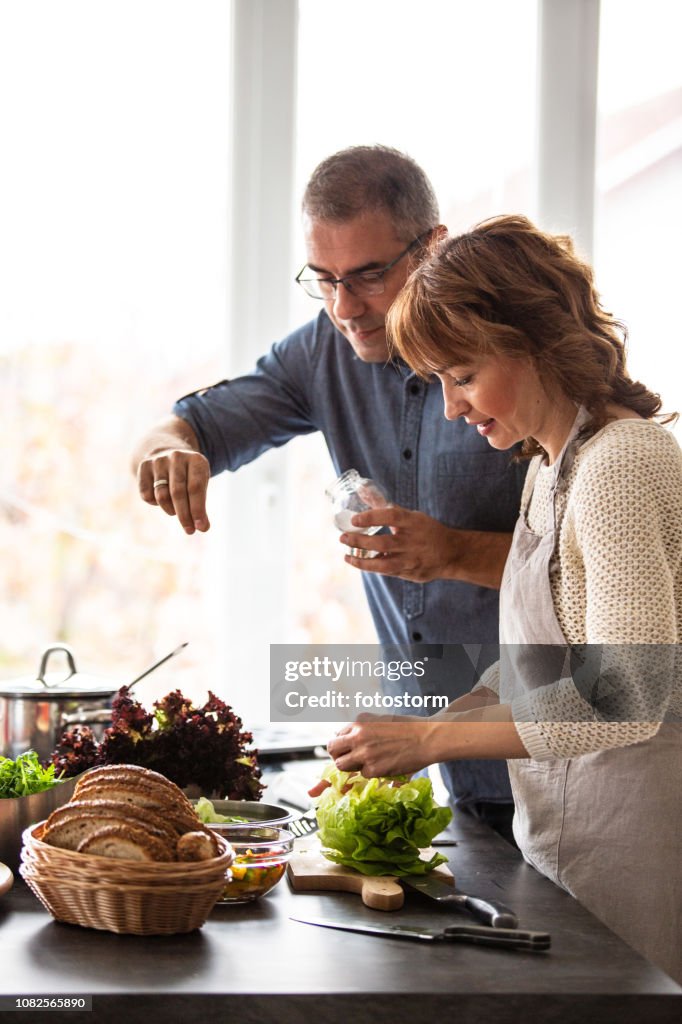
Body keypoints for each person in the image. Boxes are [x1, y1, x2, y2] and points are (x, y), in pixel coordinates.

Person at [131, 146, 527, 840]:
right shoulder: (321, 349)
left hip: (547, 758)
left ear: (434, 246)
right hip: (437, 771)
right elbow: (186, 427)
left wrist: (453, 552)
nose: (346, 308)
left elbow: (590, 590)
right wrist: (167, 451)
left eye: (369, 275)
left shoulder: (512, 361)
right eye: (323, 279)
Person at [324, 214, 682, 982]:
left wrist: (429, 744)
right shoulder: (549, 467)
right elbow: (534, 667)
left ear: (534, 339)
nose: (452, 408)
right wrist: (408, 738)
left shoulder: (622, 463)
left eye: (462, 375)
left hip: (644, 859)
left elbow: (628, 693)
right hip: (566, 844)